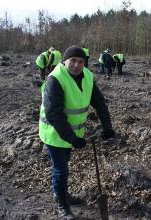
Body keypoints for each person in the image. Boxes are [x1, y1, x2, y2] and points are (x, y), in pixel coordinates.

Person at [39, 45, 115, 219]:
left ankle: (63, 193)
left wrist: (107, 125)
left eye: (81, 61)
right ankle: (61, 203)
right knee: (61, 170)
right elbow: (53, 113)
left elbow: (99, 102)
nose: (76, 64)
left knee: (64, 166)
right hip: (54, 133)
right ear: (65, 61)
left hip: (71, 134)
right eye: (72, 60)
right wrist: (71, 138)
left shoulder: (88, 76)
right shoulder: (55, 79)